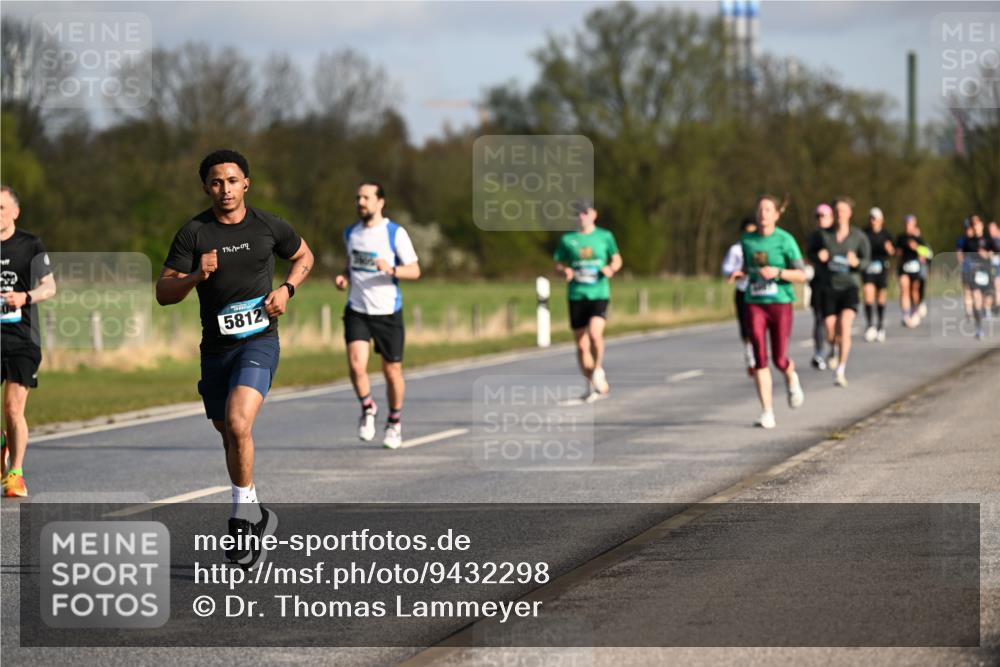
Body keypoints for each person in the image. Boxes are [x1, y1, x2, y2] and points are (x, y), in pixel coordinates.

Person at [156, 150, 314, 570]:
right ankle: (258, 511)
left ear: (246, 183)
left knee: (241, 423)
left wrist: (287, 290)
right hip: (216, 350)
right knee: (229, 434)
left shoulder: (268, 226)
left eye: (232, 180)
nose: (224, 189)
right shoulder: (194, 233)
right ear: (206, 187)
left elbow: (304, 256)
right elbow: (163, 293)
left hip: (259, 341)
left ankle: (241, 519)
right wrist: (194, 277)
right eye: (215, 182)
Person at [336, 182, 420, 450]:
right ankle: (368, 407)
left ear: (380, 202)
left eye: (366, 197)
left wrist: (392, 269)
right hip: (358, 309)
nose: (360, 202)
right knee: (356, 365)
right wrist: (344, 277)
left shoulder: (395, 232)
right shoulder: (351, 233)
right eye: (358, 197)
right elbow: (351, 264)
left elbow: (415, 271)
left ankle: (394, 421)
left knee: (392, 371)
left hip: (387, 311)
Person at [730, 195, 807, 429]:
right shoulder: (747, 240)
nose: (763, 213)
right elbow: (748, 266)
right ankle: (767, 411)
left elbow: (802, 274)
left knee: (780, 359)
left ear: (776, 214)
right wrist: (741, 273)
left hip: (780, 303)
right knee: (760, 357)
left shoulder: (786, 240)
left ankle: (791, 377)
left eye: (768, 209)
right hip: (754, 302)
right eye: (760, 209)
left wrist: (778, 272)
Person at [1, 185, 57, 498]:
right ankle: (2, 444)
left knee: (12, 408)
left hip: (22, 338)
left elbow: (49, 287)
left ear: (15, 212)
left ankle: (16, 474)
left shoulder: (29, 244)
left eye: (0, 208)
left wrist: (25, 296)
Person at [553, 199, 623, 402]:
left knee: (594, 334)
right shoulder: (568, 239)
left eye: (585, 212)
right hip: (576, 294)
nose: (581, 216)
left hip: (599, 293)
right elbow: (557, 263)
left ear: (593, 214)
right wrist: (564, 270)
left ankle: (598, 369)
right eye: (578, 213)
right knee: (582, 345)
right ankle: (590, 383)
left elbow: (617, 258)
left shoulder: (604, 236)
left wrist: (611, 268)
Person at [812, 197, 871, 387]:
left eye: (843, 211)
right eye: (837, 211)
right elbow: (810, 253)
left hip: (849, 287)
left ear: (850, 213)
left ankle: (840, 370)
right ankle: (834, 350)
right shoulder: (823, 235)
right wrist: (818, 257)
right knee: (831, 333)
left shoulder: (858, 236)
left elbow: (867, 260)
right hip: (828, 288)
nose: (840, 214)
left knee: (845, 326)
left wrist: (857, 263)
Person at [721, 217, 757, 375]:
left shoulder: (760, 248)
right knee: (745, 327)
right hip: (742, 291)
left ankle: (758, 351)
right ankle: (750, 353)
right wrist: (734, 273)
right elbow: (726, 268)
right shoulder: (736, 250)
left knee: (757, 326)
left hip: (759, 292)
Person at [805, 203, 835, 369]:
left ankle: (834, 347)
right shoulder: (814, 236)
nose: (820, 219)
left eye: (823, 216)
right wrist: (817, 256)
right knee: (818, 318)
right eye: (817, 216)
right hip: (818, 283)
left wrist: (830, 255)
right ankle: (819, 353)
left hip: (836, 284)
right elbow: (809, 255)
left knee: (832, 322)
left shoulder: (837, 235)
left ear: (831, 217)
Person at [957, 215, 994, 339]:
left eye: (977, 224)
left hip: (987, 272)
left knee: (987, 299)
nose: (976, 227)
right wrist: (963, 263)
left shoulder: (989, 239)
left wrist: (987, 254)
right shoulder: (969, 241)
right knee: (976, 298)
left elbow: (995, 252)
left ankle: (986, 310)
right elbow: (961, 253)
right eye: (974, 225)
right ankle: (979, 328)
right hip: (974, 273)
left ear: (982, 225)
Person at [862, 207, 895, 342]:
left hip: (882, 267)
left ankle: (880, 326)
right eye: (871, 218)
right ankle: (870, 325)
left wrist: (889, 249)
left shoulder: (886, 235)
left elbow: (893, 252)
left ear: (881, 220)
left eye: (875, 218)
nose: (872, 221)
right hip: (868, 267)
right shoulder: (865, 234)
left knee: (881, 297)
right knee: (868, 294)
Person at [896, 214, 927, 328]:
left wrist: (916, 248)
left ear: (914, 225)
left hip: (915, 268)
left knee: (914, 290)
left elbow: (926, 253)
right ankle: (905, 314)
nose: (908, 226)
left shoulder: (918, 239)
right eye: (906, 224)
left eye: (910, 224)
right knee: (904, 289)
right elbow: (897, 252)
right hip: (904, 267)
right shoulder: (900, 238)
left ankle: (915, 311)